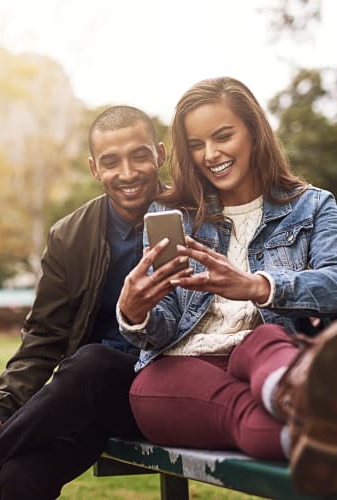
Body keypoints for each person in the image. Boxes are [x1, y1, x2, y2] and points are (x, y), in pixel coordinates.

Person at [0, 105, 185, 500]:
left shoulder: (195, 218)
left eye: (139, 156)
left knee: (90, 362)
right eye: (111, 162)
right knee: (22, 474)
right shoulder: (70, 236)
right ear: (94, 169)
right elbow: (43, 337)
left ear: (160, 155)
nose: (127, 173)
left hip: (166, 395)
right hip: (87, 402)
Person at [117, 77, 337, 496]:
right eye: (197, 144)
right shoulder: (170, 213)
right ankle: (310, 430)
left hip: (266, 357)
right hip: (178, 370)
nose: (210, 154)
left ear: (254, 130)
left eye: (223, 136)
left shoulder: (313, 205)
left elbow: (335, 282)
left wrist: (259, 286)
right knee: (235, 410)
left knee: (266, 337)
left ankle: (298, 396)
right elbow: (160, 329)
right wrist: (135, 312)